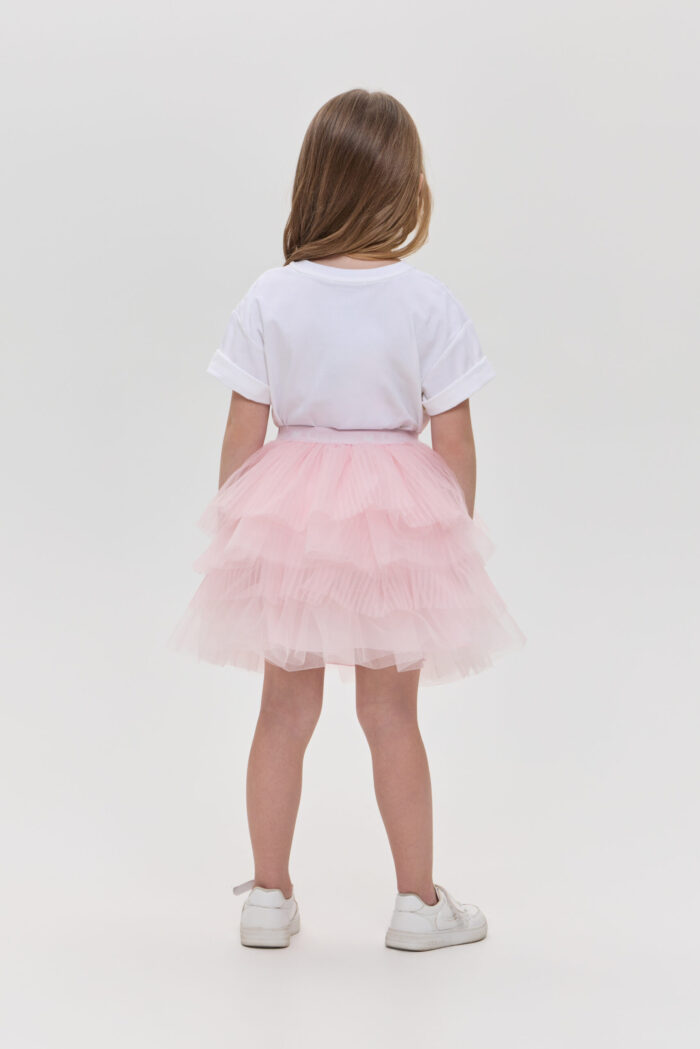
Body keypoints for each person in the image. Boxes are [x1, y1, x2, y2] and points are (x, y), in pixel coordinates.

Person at [168, 88, 525, 952]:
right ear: (407, 187)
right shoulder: (427, 300)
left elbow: (243, 431)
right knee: (391, 714)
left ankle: (268, 895)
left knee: (282, 710)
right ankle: (417, 903)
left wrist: (240, 528)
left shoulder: (272, 295)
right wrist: (449, 537)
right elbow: (456, 437)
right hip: (396, 516)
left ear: (314, 182)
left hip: (290, 514)